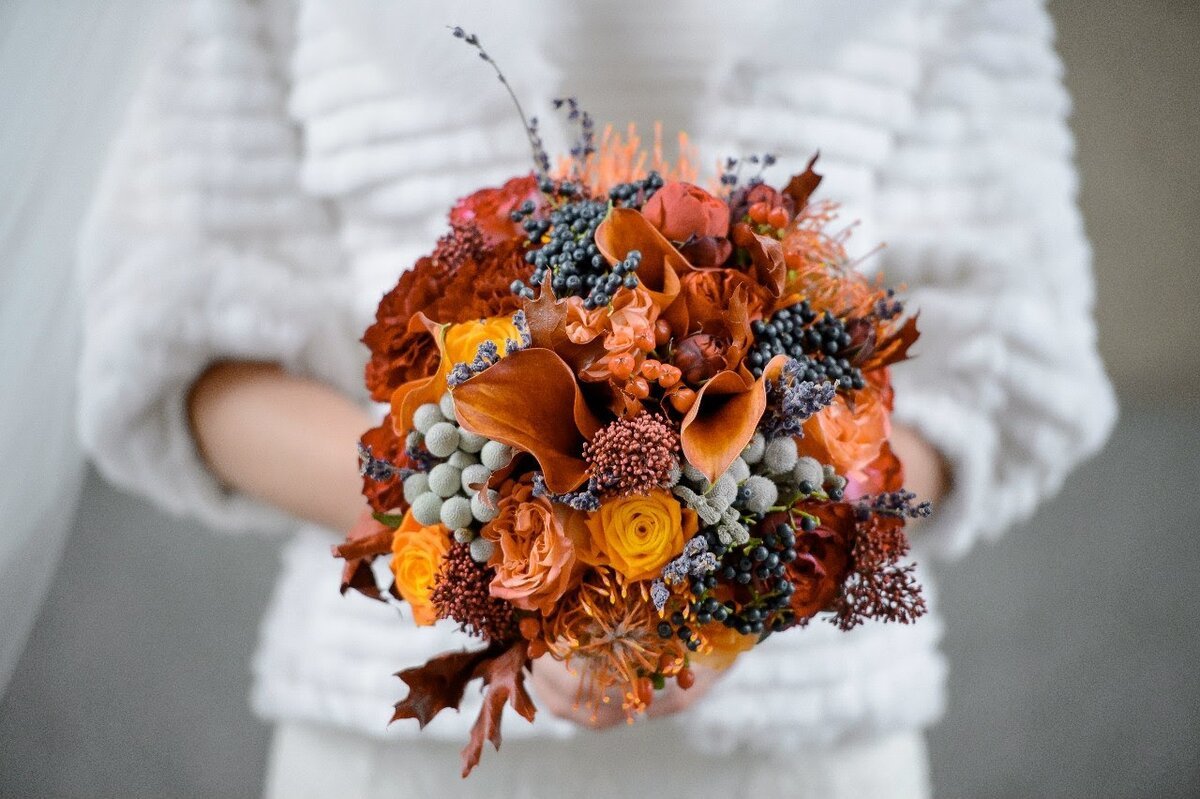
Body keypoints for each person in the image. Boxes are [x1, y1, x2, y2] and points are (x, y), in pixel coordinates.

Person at [77, 1, 1115, 796]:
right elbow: (178, 347)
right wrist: (499, 560)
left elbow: (1005, 366)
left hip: (801, 752)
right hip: (404, 759)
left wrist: (745, 586)